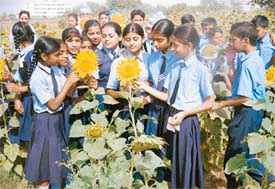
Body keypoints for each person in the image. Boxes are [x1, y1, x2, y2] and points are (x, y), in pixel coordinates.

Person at [135, 25, 215, 188]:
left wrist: (186, 113)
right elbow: (168, 97)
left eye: (176, 45)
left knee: (185, 164)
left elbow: (209, 101)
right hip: (172, 117)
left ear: (189, 46)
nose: (173, 49)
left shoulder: (200, 69)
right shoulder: (176, 66)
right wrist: (145, 88)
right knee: (174, 159)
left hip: (186, 120)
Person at [210, 21, 268, 188]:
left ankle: (269, 181)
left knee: (236, 159)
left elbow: (243, 96)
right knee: (244, 156)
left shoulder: (249, 63)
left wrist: (220, 104)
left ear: (245, 40)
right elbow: (238, 85)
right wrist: (230, 62)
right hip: (252, 112)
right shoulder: (253, 58)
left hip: (246, 113)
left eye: (233, 39)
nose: (230, 42)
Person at [25, 36, 79, 189]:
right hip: (44, 122)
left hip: (56, 120)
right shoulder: (37, 77)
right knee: (44, 166)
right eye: (57, 55)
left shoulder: (54, 70)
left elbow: (67, 94)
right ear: (44, 56)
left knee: (55, 161)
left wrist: (74, 82)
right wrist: (68, 82)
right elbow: (53, 105)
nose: (61, 57)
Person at [5, 21, 35, 143]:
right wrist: (17, 98)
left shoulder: (31, 55)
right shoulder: (24, 54)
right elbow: (22, 80)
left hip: (34, 102)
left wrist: (19, 90)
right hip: (27, 99)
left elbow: (38, 84)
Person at [106, 23, 149, 99]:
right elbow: (109, 90)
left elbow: (157, 85)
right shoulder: (118, 62)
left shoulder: (150, 60)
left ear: (143, 39)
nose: (131, 43)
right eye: (128, 40)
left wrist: (145, 85)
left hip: (147, 105)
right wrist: (122, 93)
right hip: (125, 104)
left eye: (135, 39)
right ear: (123, 41)